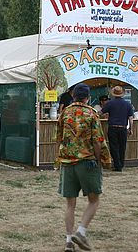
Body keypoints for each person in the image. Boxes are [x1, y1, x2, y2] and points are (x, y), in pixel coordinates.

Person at [56, 83, 107, 252]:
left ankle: (69, 241)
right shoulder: (91, 113)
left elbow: (58, 137)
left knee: (70, 204)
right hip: (87, 161)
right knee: (94, 200)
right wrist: (100, 160)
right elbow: (97, 141)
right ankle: (81, 231)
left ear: (73, 96)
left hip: (67, 162)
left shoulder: (64, 112)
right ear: (88, 97)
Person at [101, 85, 134, 172]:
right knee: (122, 147)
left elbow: (100, 113)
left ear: (113, 94)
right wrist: (131, 129)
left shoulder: (110, 103)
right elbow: (131, 118)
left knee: (113, 147)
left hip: (112, 128)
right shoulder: (128, 104)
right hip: (123, 128)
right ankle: (121, 165)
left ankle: (117, 165)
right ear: (122, 94)